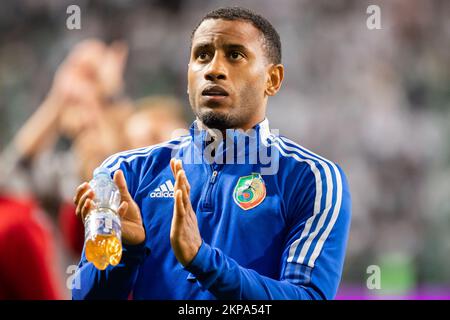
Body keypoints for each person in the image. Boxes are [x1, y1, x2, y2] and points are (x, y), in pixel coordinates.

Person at [72, 7, 351, 300]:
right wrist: (127, 251)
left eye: (235, 55)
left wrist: (203, 260)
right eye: (202, 55)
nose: (213, 69)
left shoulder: (314, 179)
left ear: (273, 79)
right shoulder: (126, 174)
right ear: (188, 75)